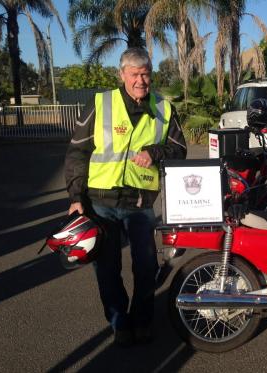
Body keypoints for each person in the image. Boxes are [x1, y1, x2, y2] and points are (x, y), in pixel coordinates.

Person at [64, 47, 187, 347]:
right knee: (107, 269)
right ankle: (120, 322)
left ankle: (143, 320)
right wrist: (76, 196)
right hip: (100, 202)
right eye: (134, 74)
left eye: (145, 73)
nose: (141, 80)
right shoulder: (100, 103)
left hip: (140, 203)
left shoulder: (164, 108)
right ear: (122, 75)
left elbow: (180, 149)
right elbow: (78, 150)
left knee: (146, 267)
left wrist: (154, 152)